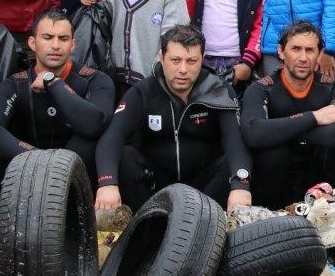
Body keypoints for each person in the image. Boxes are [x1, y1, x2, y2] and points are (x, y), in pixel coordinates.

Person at [93, 24, 251, 211]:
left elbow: (235, 140)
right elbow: (112, 136)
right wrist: (107, 183)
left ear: (202, 60)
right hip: (156, 185)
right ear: (162, 57)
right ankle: (146, 230)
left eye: (191, 61)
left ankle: (207, 225)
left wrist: (241, 184)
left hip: (206, 186)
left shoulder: (219, 90)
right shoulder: (144, 91)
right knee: (125, 156)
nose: (183, 69)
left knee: (231, 164)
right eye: (175, 60)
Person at [0, 10, 114, 198]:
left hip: (76, 178)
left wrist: (54, 83)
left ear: (73, 45)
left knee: (96, 141)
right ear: (33, 44)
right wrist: (34, 156)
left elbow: (94, 124)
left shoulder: (95, 80)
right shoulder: (16, 83)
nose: (56, 45)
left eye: (63, 38)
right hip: (27, 172)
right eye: (48, 37)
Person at [241, 21, 335, 209]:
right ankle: (271, 220)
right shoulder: (261, 89)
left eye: (310, 50)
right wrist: (313, 118)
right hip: (275, 180)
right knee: (273, 154)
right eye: (296, 49)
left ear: (319, 55)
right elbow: (253, 134)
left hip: (319, 175)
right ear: (281, 51)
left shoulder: (333, 87)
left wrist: (286, 132)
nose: (303, 58)